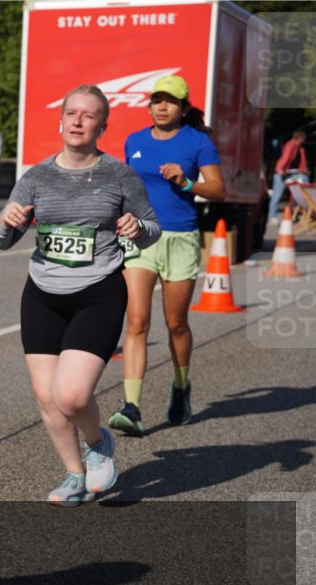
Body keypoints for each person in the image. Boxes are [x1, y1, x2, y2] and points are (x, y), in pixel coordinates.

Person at [0, 84, 160, 506]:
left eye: (88, 115)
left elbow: (152, 228)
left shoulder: (119, 174)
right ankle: (73, 475)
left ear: (103, 125)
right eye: (71, 113)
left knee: (72, 395)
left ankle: (96, 440)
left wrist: (138, 229)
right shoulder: (36, 176)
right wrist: (6, 221)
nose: (78, 121)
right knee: (47, 399)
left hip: (98, 292)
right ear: (61, 120)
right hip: (43, 294)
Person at [109, 75, 225, 437]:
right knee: (137, 322)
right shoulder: (135, 141)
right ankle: (132, 406)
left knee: (176, 323)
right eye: (156, 100)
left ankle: (181, 385)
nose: (161, 106)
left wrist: (186, 182)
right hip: (141, 238)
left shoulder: (198, 142)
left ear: (183, 108)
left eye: (170, 101)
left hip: (180, 238)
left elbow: (219, 190)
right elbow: (126, 187)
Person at [267, 129, 309, 223]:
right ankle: (271, 217)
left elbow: (302, 162)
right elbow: (285, 157)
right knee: (277, 195)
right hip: (281, 173)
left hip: (290, 173)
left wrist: (304, 171)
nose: (304, 141)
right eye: (303, 139)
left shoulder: (300, 148)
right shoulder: (290, 145)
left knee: (304, 180)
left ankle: (306, 207)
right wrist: (280, 169)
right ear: (299, 138)